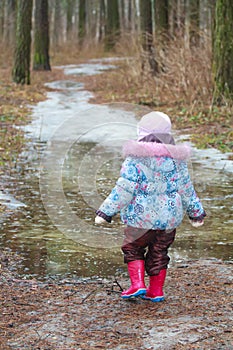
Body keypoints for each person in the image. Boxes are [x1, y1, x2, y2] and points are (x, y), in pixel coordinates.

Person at [95, 111, 206, 302]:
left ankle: (137, 284)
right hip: (168, 221)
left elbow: (123, 189)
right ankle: (156, 291)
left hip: (140, 219)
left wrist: (106, 212)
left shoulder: (135, 159)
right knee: (159, 252)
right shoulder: (177, 160)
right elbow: (186, 188)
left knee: (132, 248)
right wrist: (196, 213)